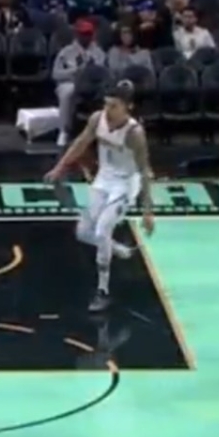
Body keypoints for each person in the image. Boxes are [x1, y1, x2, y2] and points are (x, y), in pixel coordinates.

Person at [45, 82, 155, 312]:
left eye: (114, 106)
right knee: (83, 233)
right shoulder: (97, 119)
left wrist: (148, 211)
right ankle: (116, 248)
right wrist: (59, 169)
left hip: (125, 184)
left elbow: (145, 171)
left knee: (103, 229)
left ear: (128, 107)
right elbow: (80, 144)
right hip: (104, 179)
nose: (108, 110)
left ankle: (102, 291)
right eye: (106, 104)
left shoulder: (134, 133)